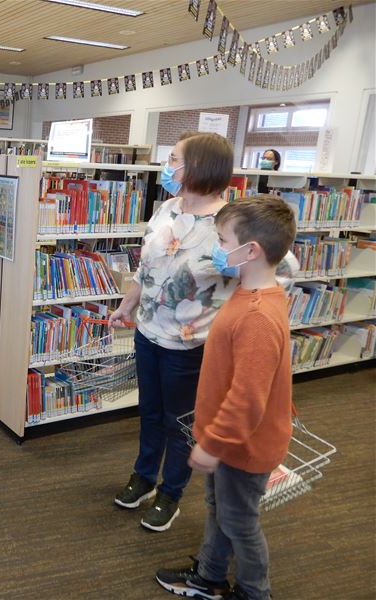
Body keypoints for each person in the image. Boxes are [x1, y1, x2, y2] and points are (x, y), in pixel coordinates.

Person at [155, 195, 296, 600]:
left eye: (221, 239)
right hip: (230, 440)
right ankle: (209, 576)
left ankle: (255, 592)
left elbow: (249, 397)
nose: (216, 247)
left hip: (241, 444)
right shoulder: (253, 293)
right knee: (222, 512)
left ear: (250, 250)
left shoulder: (257, 316)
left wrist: (213, 444)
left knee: (240, 522)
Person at [108, 132, 237, 532]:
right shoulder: (166, 207)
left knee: (178, 421)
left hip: (189, 342)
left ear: (198, 165)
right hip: (148, 330)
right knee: (149, 411)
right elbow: (147, 268)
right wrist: (127, 304)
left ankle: (171, 493)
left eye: (175, 158)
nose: (168, 164)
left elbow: (279, 267)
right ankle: (144, 476)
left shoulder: (231, 221)